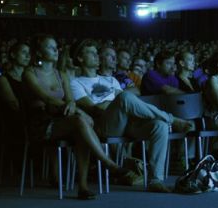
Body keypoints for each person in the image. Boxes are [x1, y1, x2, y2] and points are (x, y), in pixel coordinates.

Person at [69, 39, 193, 193]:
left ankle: (156, 180)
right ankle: (171, 119)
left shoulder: (111, 79)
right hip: (104, 125)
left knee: (159, 126)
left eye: (96, 52)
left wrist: (117, 102)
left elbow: (125, 103)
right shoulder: (76, 83)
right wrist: (115, 102)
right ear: (80, 58)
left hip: (125, 122)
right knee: (125, 97)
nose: (96, 56)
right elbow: (94, 108)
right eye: (91, 53)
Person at [23, 35, 135, 200]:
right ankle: (107, 163)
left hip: (62, 118)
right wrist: (73, 109)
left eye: (56, 47)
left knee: (80, 128)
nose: (56, 50)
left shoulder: (61, 74)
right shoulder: (29, 73)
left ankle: (83, 186)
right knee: (80, 121)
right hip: (40, 123)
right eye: (50, 47)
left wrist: (73, 107)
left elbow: (70, 100)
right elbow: (46, 98)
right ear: (39, 53)